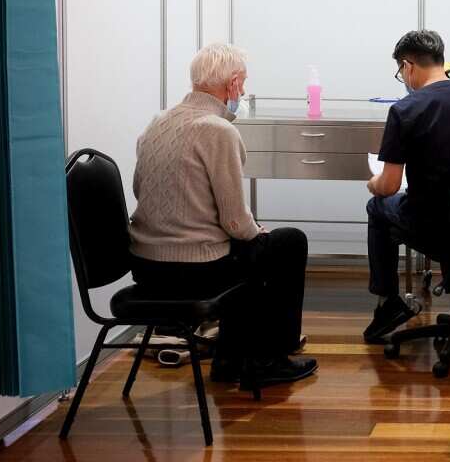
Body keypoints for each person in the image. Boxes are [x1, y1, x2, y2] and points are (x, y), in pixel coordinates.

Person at [129, 43, 317, 388]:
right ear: (232, 84)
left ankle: (231, 359)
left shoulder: (158, 122)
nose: (242, 92)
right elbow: (235, 222)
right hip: (193, 270)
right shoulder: (219, 131)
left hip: (145, 264)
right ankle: (267, 359)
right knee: (288, 243)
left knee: (252, 248)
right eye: (242, 84)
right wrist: (257, 231)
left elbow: (139, 189)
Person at [363, 30, 450, 343]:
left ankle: (387, 302)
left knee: (377, 207)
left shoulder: (405, 110)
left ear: (407, 66)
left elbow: (388, 186)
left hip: (433, 228)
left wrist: (373, 182)